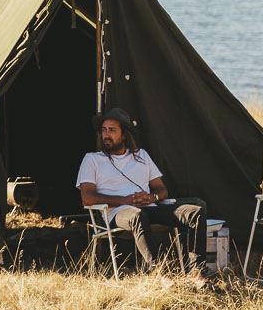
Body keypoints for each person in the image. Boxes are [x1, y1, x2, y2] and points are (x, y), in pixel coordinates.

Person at [76, 107, 207, 273]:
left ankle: (197, 273)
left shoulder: (141, 156)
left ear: (124, 135)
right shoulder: (92, 159)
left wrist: (152, 198)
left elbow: (162, 190)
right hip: (118, 214)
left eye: (111, 130)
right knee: (138, 215)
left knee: (195, 212)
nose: (106, 135)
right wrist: (126, 201)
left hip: (149, 208)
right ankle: (158, 273)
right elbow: (87, 198)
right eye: (103, 130)